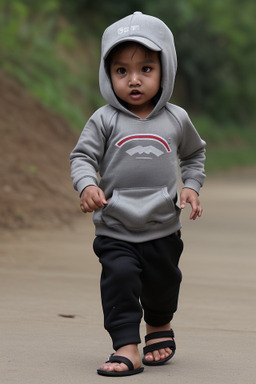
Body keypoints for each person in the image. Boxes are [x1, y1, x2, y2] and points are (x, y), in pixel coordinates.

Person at [70, 12, 206, 377]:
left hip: (163, 226)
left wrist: (191, 186)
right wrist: (87, 185)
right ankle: (126, 346)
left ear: (165, 70)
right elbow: (82, 157)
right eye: (121, 71)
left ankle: (159, 326)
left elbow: (194, 154)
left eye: (146, 68)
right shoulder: (104, 120)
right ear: (108, 74)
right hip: (116, 226)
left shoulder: (177, 119)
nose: (133, 80)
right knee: (120, 281)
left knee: (163, 285)